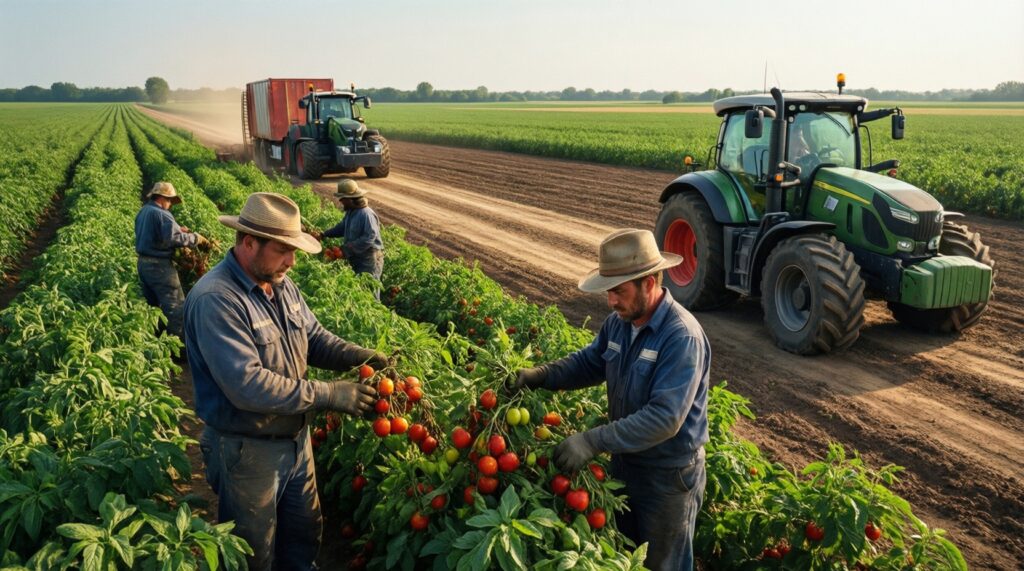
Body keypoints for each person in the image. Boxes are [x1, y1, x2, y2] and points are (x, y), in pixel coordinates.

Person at [183, 192, 387, 570]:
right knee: (253, 553)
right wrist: (328, 393)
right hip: (247, 450)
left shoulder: (280, 283)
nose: (292, 261)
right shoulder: (217, 299)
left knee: (303, 537)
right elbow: (248, 385)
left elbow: (315, 338)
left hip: (295, 441)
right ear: (248, 243)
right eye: (282, 250)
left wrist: (361, 355)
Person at [510, 228, 711, 571]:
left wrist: (592, 440)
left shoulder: (681, 337)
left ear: (649, 282)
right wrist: (540, 375)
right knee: (626, 558)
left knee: (663, 564)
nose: (611, 301)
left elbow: (665, 418)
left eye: (618, 291)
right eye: (609, 292)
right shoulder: (620, 323)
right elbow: (591, 362)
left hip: (666, 477)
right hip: (626, 466)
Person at [134, 181, 209, 338]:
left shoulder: (144, 211)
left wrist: (177, 229)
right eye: (169, 201)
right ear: (162, 198)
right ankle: (179, 347)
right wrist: (195, 238)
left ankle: (155, 340)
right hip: (160, 267)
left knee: (153, 307)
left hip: (143, 264)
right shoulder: (162, 214)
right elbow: (173, 239)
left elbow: (159, 233)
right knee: (176, 307)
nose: (170, 205)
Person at [323, 179, 384, 292]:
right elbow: (341, 228)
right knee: (359, 291)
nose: (340, 200)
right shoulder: (351, 212)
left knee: (369, 291)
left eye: (343, 198)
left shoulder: (366, 214)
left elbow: (369, 238)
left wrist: (345, 249)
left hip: (369, 259)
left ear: (351, 199)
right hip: (358, 257)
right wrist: (324, 234)